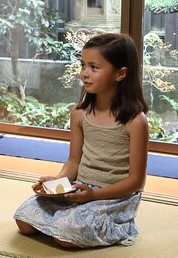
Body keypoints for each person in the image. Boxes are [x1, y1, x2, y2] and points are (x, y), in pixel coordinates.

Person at [13, 33, 150, 248]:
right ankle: (71, 218)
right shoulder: (79, 113)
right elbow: (73, 162)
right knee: (23, 218)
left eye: (94, 67)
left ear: (120, 73)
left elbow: (136, 182)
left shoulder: (135, 121)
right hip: (80, 189)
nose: (84, 73)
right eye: (83, 65)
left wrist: (94, 195)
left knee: (64, 237)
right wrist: (56, 185)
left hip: (114, 197)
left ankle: (121, 227)